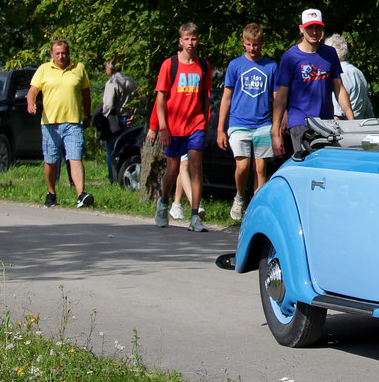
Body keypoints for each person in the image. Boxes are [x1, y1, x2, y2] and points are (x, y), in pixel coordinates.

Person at [147, 23, 211, 232]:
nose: (190, 43)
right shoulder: (170, 64)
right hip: (174, 126)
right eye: (186, 39)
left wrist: (207, 127)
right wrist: (160, 128)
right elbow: (161, 99)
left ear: (198, 40)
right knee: (173, 170)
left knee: (195, 167)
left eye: (194, 39)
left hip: (196, 123)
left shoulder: (203, 66)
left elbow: (206, 98)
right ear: (180, 41)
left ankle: (194, 216)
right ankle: (163, 203)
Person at [272, 8, 354, 157]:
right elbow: (281, 97)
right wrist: (275, 132)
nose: (314, 32)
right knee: (306, 166)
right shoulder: (290, 57)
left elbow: (339, 89)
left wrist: (352, 121)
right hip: (300, 123)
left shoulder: (330, 53)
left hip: (326, 123)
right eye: (310, 27)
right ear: (301, 29)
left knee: (326, 166)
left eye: (317, 27)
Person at [217, 23, 277, 221]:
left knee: (260, 169)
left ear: (263, 43)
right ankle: (240, 196)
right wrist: (220, 129)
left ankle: (256, 208)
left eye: (256, 45)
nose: (253, 49)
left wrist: (278, 124)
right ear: (243, 42)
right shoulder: (235, 65)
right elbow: (226, 98)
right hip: (239, 122)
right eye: (249, 44)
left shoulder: (271, 66)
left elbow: (277, 98)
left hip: (262, 123)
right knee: (242, 167)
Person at [26, 39, 94, 208]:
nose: (61, 56)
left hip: (73, 122)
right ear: (52, 54)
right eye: (57, 53)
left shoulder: (79, 68)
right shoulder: (43, 69)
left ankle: (81, 194)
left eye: (63, 53)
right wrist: (31, 102)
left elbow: (86, 94)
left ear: (68, 53)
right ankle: (51, 192)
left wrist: (87, 115)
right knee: (50, 160)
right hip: (50, 123)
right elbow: (33, 91)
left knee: (75, 157)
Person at [100, 60, 138, 183]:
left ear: (110, 69)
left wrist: (104, 116)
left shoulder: (112, 82)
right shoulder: (130, 81)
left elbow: (108, 104)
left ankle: (113, 178)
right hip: (128, 119)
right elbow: (141, 99)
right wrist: (134, 113)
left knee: (111, 150)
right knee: (126, 148)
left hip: (115, 120)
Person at [324, 33, 374, 119]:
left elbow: (337, 113)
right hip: (359, 125)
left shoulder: (339, 75)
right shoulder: (358, 73)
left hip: (344, 127)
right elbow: (367, 108)